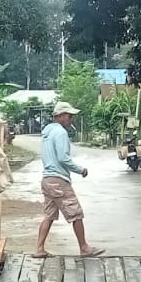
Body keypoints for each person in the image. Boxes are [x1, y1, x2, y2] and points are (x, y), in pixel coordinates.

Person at [35, 102, 106, 258]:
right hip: (59, 180)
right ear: (59, 116)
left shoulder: (47, 132)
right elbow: (63, 158)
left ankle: (39, 249)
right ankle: (84, 248)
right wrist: (81, 170)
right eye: (69, 116)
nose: (71, 119)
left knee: (49, 215)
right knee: (76, 214)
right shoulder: (60, 133)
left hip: (47, 179)